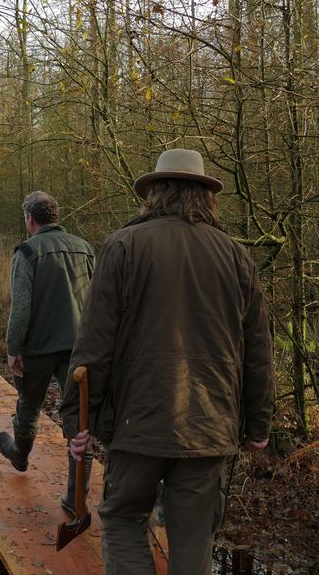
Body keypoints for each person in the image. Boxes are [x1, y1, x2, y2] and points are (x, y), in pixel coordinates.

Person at [60, 149, 274, 574]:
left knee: (122, 519)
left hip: (136, 424)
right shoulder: (236, 257)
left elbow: (94, 344)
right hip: (210, 426)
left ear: (154, 193)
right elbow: (257, 351)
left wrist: (76, 421)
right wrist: (259, 424)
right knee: (194, 536)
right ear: (206, 196)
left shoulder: (123, 246)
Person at [0, 191, 95, 515]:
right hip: (79, 349)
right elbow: (97, 303)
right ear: (55, 216)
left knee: (29, 406)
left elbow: (21, 308)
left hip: (37, 349)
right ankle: (76, 498)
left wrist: (13, 349)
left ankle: (20, 456)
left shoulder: (27, 251)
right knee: (79, 422)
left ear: (30, 218)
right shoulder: (85, 249)